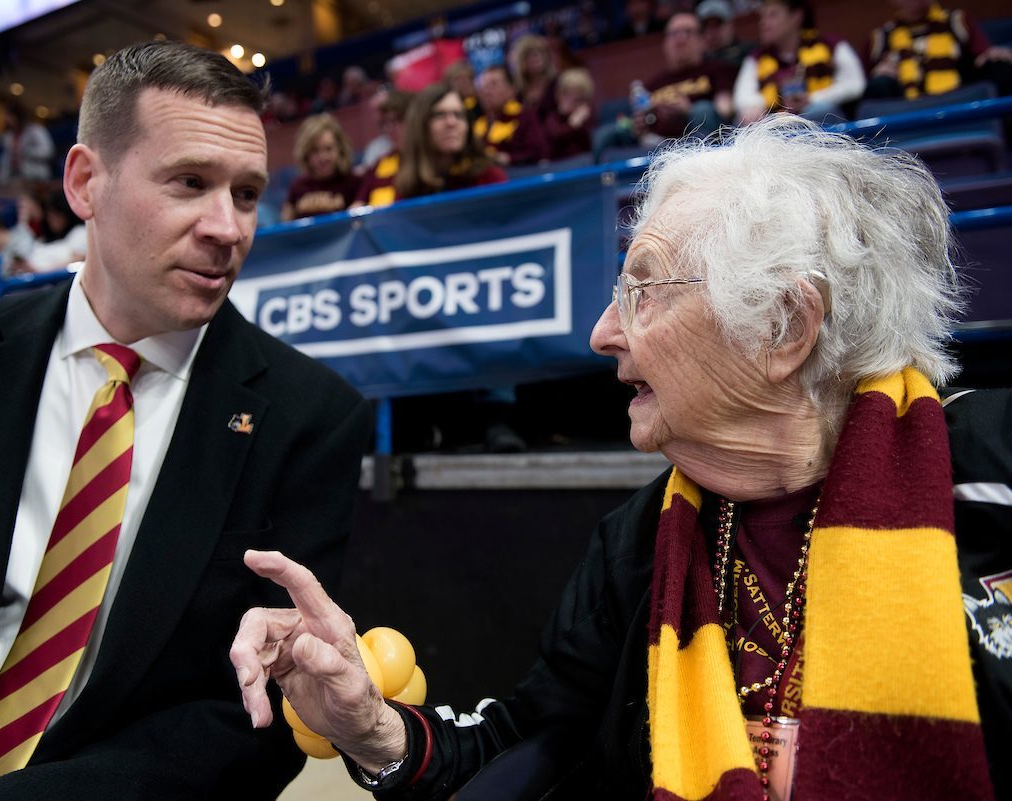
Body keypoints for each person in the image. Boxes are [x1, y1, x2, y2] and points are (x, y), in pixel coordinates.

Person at [231, 116, 1010, 799]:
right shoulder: (637, 545)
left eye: (644, 290)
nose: (603, 332)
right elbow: (528, 748)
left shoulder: (995, 469)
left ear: (784, 326)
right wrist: (367, 724)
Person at [0, 40, 370, 801]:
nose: (227, 227)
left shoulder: (310, 418)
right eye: (189, 182)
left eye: (245, 193)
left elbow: (253, 713)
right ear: (85, 182)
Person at [734, 0, 865, 125]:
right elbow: (743, 96)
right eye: (762, 17)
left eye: (772, 15)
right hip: (775, 124)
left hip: (822, 121)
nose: (763, 23)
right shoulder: (756, 58)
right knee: (746, 121)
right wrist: (754, 105)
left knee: (819, 111)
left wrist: (812, 99)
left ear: (796, 16)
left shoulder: (831, 45)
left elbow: (854, 84)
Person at [383, 83, 507, 204]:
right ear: (420, 125)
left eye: (458, 115)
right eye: (439, 115)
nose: (452, 123)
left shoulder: (489, 178)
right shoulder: (409, 188)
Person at [866, 0, 1012, 100]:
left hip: (960, 99)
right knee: (879, 86)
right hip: (908, 109)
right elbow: (863, 83)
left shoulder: (957, 21)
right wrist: (880, 73)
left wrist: (993, 56)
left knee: (1000, 67)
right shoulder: (880, 37)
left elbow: (983, 56)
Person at [636, 12, 735, 144]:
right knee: (609, 133)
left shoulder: (717, 69)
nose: (680, 39)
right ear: (665, 44)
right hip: (657, 141)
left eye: (687, 32)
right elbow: (640, 116)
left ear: (701, 40)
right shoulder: (653, 83)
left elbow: (725, 110)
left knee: (702, 110)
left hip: (697, 135)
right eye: (674, 34)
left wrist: (688, 110)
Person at [281, 114, 362, 221]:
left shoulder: (354, 183)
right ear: (306, 154)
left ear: (340, 149)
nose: (323, 158)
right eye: (315, 151)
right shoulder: (297, 186)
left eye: (328, 149)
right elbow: (286, 224)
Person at [473, 65, 550, 167]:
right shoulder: (476, 124)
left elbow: (539, 153)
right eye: (483, 86)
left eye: (493, 84)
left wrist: (509, 158)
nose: (486, 91)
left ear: (511, 90)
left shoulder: (526, 117)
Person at [541, 67, 596, 160]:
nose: (571, 100)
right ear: (559, 95)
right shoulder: (553, 117)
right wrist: (572, 124)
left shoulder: (587, 116)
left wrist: (580, 121)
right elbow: (553, 142)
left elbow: (591, 144)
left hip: (585, 164)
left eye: (578, 98)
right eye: (567, 94)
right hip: (559, 166)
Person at [0, 101, 56, 186]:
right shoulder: (9, 136)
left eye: (10, 116)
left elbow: (48, 151)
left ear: (18, 116)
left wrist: (27, 152)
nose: (8, 120)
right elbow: (6, 158)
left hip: (36, 177)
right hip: (15, 177)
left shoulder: (36, 130)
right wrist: (2, 178)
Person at [697, 0, 753, 68]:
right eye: (705, 27)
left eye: (716, 25)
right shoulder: (696, 60)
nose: (711, 32)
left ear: (730, 25)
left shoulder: (748, 52)